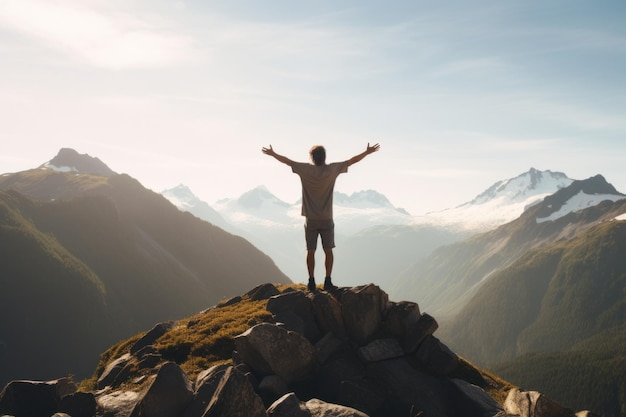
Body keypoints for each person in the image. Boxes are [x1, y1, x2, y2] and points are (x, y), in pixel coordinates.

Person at [262, 142, 381, 292]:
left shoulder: (305, 170)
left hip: (310, 218)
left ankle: (311, 281)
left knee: (310, 251)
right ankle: (328, 281)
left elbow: (288, 161)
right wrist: (367, 152)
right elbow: (352, 161)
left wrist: (273, 154)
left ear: (312, 157)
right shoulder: (332, 170)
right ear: (324, 157)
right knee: (328, 250)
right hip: (326, 218)